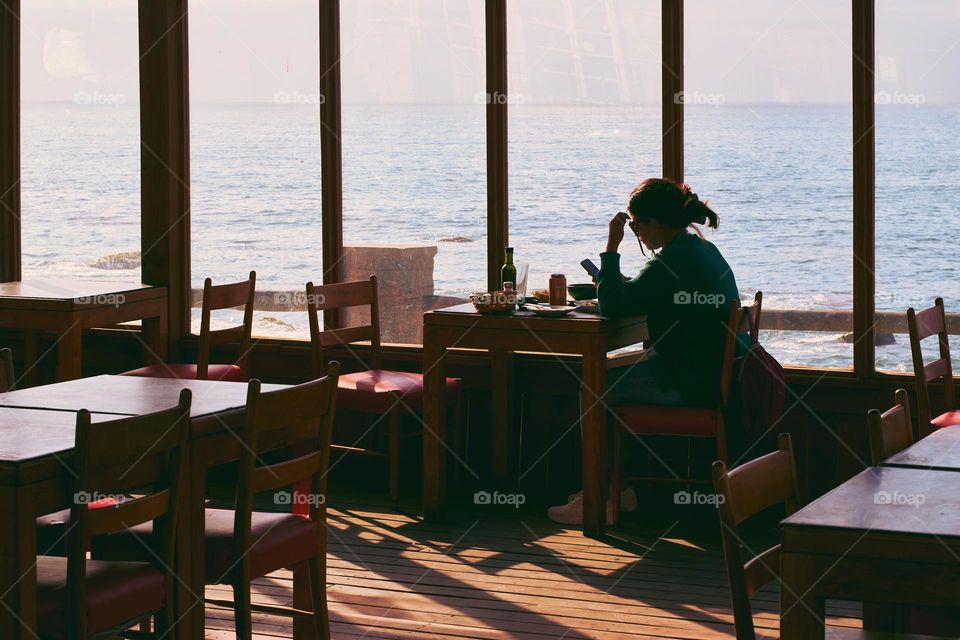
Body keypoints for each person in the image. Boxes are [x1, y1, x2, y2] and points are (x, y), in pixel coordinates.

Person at [548, 177, 741, 525]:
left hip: (689, 382)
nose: (636, 232)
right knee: (611, 377)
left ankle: (601, 496)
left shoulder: (670, 261)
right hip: (711, 374)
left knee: (592, 387)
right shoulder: (700, 249)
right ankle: (620, 490)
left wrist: (611, 246)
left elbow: (613, 305)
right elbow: (644, 292)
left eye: (637, 225)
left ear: (655, 222)